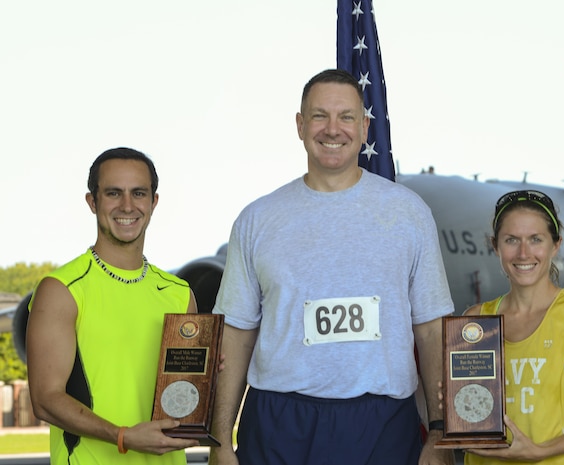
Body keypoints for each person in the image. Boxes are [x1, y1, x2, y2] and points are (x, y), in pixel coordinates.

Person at [209, 69, 456, 465]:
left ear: (364, 127)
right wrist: (220, 439)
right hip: (279, 423)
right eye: (320, 115)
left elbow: (430, 333)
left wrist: (440, 434)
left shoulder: (409, 213)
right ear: (300, 125)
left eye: (346, 117)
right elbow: (236, 336)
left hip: (383, 425)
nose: (332, 129)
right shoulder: (257, 219)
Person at [27, 147, 201, 464]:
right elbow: (45, 399)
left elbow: (184, 393)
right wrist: (123, 436)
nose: (127, 206)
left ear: (153, 202)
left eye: (138, 193)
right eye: (113, 193)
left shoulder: (179, 293)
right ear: (92, 202)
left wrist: (206, 374)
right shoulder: (61, 290)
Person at [462, 190, 564, 464]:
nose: (524, 253)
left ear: (555, 245)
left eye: (535, 239)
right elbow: (471, 406)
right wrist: (454, 404)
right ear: (495, 246)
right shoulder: (476, 320)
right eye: (511, 240)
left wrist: (540, 451)